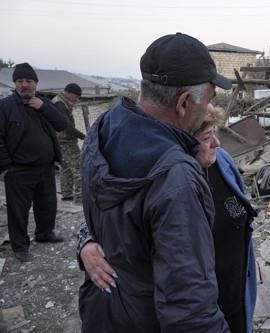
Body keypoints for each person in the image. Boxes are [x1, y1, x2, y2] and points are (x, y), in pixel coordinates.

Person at [78, 33, 234, 332]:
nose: (208, 110)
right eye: (210, 99)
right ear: (184, 102)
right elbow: (190, 307)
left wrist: (84, 240)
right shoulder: (176, 176)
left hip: (103, 312)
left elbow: (105, 214)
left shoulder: (105, 128)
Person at [79, 104, 257, 333]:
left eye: (215, 133)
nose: (217, 144)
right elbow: (107, 211)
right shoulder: (165, 181)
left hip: (233, 295)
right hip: (196, 310)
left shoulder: (222, 161)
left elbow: (242, 214)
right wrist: (86, 240)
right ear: (182, 142)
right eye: (207, 137)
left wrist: (247, 257)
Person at [0, 63, 67, 262]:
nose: (24, 85)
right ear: (15, 84)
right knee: (18, 211)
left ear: (36, 83)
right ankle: (20, 246)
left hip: (46, 168)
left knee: (47, 205)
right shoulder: (5, 107)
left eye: (28, 81)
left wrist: (44, 107)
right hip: (18, 170)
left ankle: (45, 234)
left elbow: (62, 124)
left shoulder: (44, 103)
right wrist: (6, 168)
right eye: (20, 81)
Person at [52, 83, 85, 203]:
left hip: (60, 141)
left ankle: (67, 194)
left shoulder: (58, 101)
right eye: (76, 97)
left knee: (65, 168)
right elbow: (66, 126)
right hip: (66, 141)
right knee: (79, 168)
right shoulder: (60, 104)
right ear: (69, 93)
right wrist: (82, 136)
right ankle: (80, 198)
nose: (76, 100)